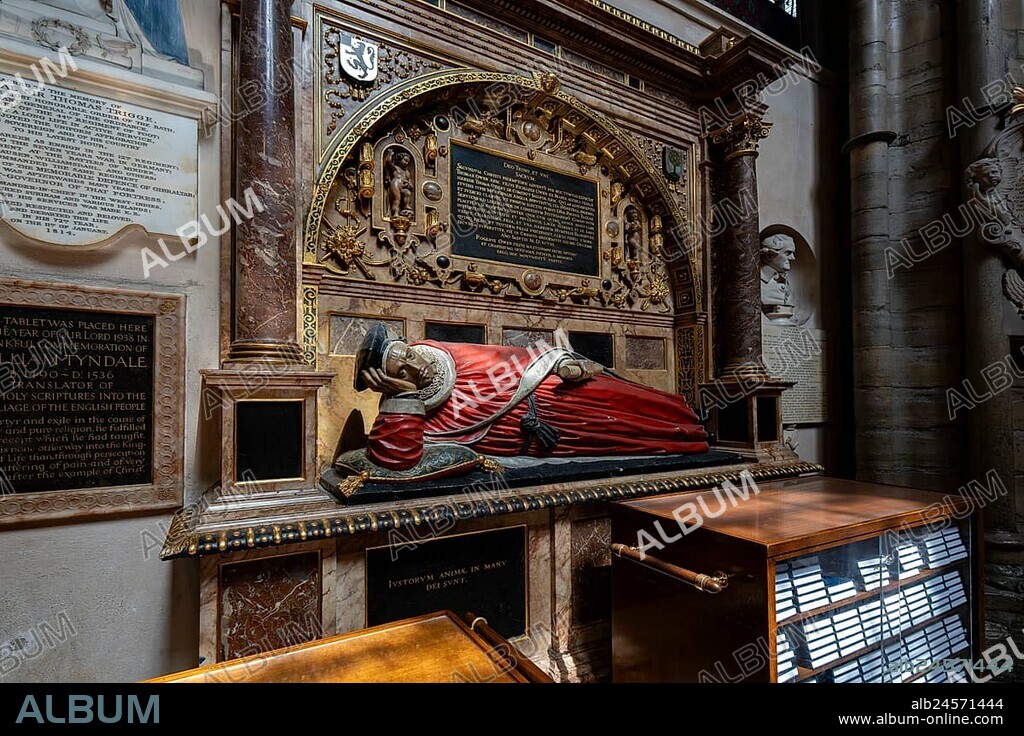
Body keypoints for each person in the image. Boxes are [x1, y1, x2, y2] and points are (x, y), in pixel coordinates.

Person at [354, 324, 708, 471]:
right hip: (554, 437)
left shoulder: (445, 354)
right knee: (629, 438)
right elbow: (397, 459)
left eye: (409, 354)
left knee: (632, 403)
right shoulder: (411, 413)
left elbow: (517, 359)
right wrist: (403, 398)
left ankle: (690, 423)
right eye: (403, 371)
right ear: (389, 381)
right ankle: (687, 439)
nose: (415, 366)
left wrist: (566, 363)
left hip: (557, 390)